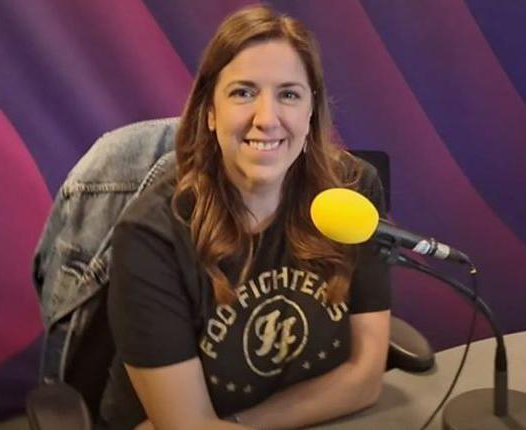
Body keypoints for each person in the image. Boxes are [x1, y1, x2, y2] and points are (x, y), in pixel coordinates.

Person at [99, 5, 391, 429]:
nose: (267, 119)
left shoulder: (352, 193)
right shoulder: (151, 236)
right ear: (210, 112)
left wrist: (243, 424)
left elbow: (365, 379)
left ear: (311, 113)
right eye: (243, 92)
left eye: (289, 94)